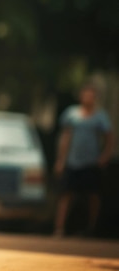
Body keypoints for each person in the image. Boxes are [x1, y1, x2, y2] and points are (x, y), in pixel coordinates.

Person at [53, 83, 114, 237]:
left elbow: (109, 138)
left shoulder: (101, 117)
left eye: (91, 95)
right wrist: (61, 160)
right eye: (86, 94)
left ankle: (91, 228)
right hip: (73, 160)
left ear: (95, 98)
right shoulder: (72, 114)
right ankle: (59, 228)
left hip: (91, 162)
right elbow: (65, 137)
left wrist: (105, 156)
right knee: (66, 194)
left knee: (92, 195)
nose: (88, 98)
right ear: (81, 96)